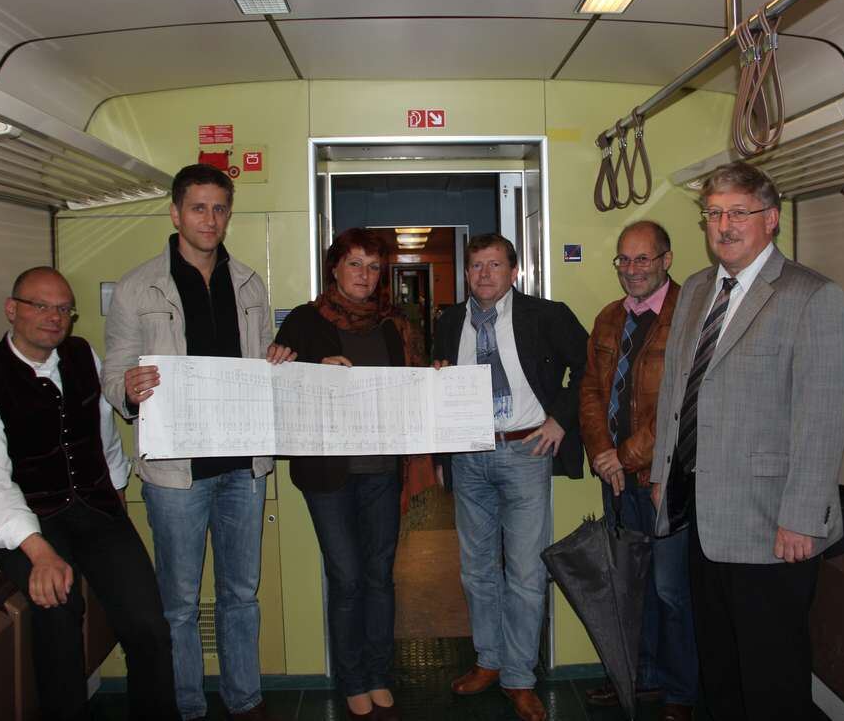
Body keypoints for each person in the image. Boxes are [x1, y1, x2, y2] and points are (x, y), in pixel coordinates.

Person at [651, 161, 844, 721]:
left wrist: (802, 517)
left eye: (738, 212)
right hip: (702, 515)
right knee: (719, 668)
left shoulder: (811, 295)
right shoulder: (697, 289)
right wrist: (663, 475)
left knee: (771, 678)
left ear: (771, 219)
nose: (724, 225)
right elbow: (676, 389)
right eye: (714, 213)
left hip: (773, 524)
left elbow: (825, 412)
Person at [101, 164, 291, 721]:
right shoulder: (138, 287)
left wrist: (277, 360)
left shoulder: (249, 284)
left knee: (241, 594)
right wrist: (128, 389)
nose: (210, 219)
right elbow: (113, 374)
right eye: (198, 208)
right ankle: (186, 705)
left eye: (219, 208)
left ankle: (244, 699)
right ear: (175, 213)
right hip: (175, 472)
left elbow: (262, 361)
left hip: (242, 465)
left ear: (228, 214)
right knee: (179, 602)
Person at [0, 267, 178, 721]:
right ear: (12, 309)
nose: (54, 318)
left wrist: (116, 490)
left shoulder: (82, 355)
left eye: (63, 309)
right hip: (33, 521)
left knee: (148, 624)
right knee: (58, 615)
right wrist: (39, 553)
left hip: (97, 508)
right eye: (40, 306)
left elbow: (102, 432)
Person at [432, 233, 588, 721]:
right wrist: (440, 454)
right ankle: (490, 660)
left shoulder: (547, 315)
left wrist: (560, 420)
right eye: (476, 265)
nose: (484, 274)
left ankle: (520, 677)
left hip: (526, 450)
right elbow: (438, 383)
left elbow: (590, 366)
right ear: (466, 272)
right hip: (468, 453)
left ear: (514, 271)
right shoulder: (449, 320)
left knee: (524, 572)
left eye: (494, 265)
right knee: (476, 569)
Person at [273, 227, 418, 721]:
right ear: (334, 268)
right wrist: (314, 368)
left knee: (380, 576)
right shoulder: (303, 321)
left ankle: (378, 673)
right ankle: (351, 678)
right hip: (327, 472)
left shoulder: (394, 325)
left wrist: (436, 378)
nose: (364, 275)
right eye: (354, 263)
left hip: (382, 469)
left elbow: (413, 383)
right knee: (347, 576)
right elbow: (279, 388)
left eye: (374, 267)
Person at [579, 221, 696, 721]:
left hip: (663, 481)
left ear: (666, 260)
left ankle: (680, 692)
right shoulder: (609, 318)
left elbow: (682, 403)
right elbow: (590, 390)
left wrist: (624, 456)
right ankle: (640, 676)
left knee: (670, 590)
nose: (632, 269)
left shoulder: (689, 315)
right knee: (629, 586)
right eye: (624, 260)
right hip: (617, 479)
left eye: (642, 258)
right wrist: (602, 453)